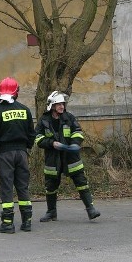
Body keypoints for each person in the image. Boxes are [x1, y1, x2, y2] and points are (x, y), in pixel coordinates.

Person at [34, 91, 100, 222]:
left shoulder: (69, 118)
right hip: (53, 158)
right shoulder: (44, 121)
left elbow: (78, 132)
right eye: (58, 104)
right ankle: (51, 212)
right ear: (52, 105)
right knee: (51, 186)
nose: (62, 106)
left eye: (63, 104)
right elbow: (37, 138)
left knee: (81, 182)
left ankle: (91, 209)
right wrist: (52, 143)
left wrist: (75, 144)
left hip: (71, 158)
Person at [0, 77, 35, 234]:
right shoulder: (25, 110)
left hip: (5, 154)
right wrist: (27, 149)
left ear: (0, 91)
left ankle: (7, 223)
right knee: (22, 186)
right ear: (16, 92)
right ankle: (27, 222)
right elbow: (31, 134)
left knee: (7, 187)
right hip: (21, 153)